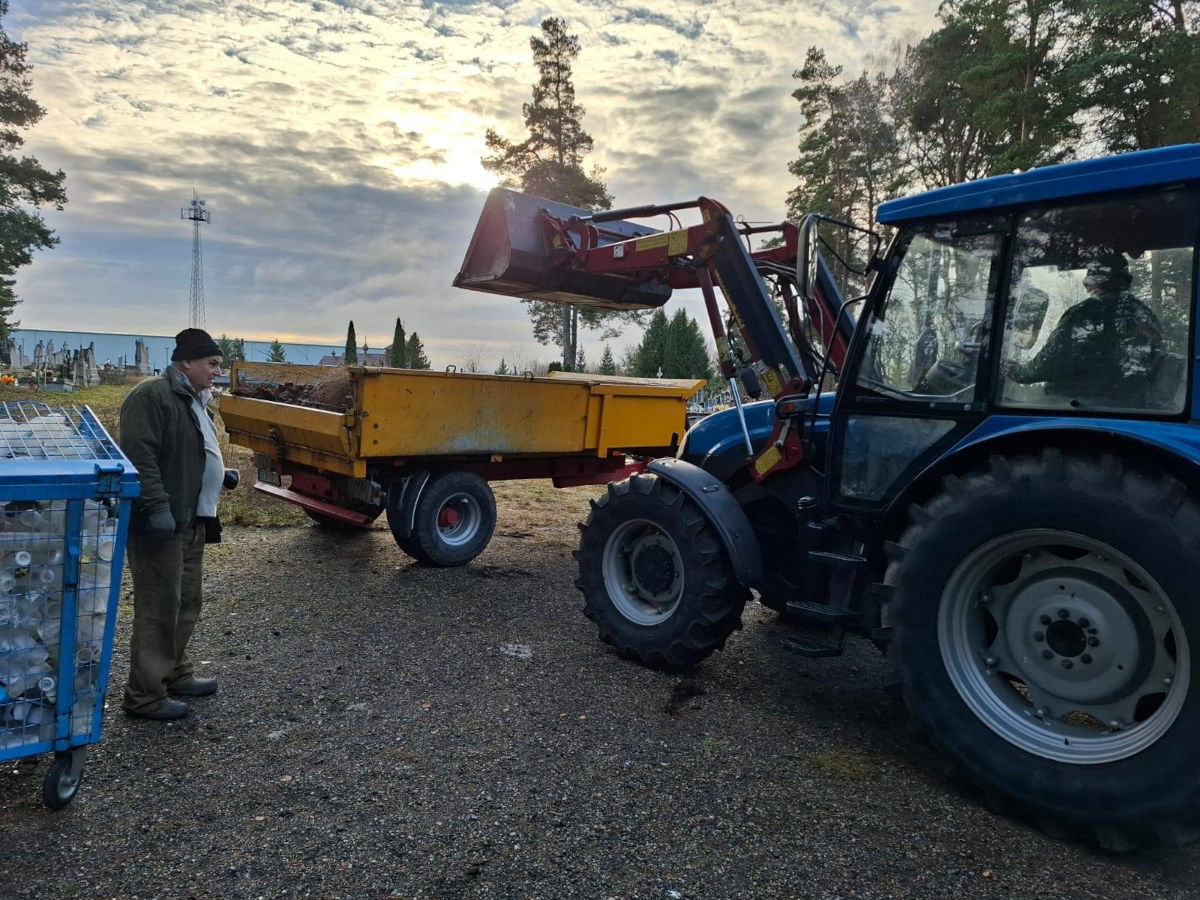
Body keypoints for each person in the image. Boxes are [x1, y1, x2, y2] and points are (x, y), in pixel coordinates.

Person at [118, 328, 237, 720]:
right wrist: (155, 507)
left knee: (187, 602)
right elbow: (141, 455)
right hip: (162, 522)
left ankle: (173, 673)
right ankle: (145, 695)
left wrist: (221, 474)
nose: (217, 372)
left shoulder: (194, 399)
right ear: (186, 362)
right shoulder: (152, 395)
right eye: (212, 364)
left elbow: (191, 450)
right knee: (159, 607)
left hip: (192, 520)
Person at [1006, 252, 1163, 405]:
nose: (1085, 282)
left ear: (1102, 279)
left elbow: (1049, 362)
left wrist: (1016, 371)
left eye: (1091, 274)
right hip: (1128, 405)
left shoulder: (1084, 313)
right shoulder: (1143, 313)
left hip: (1077, 404)